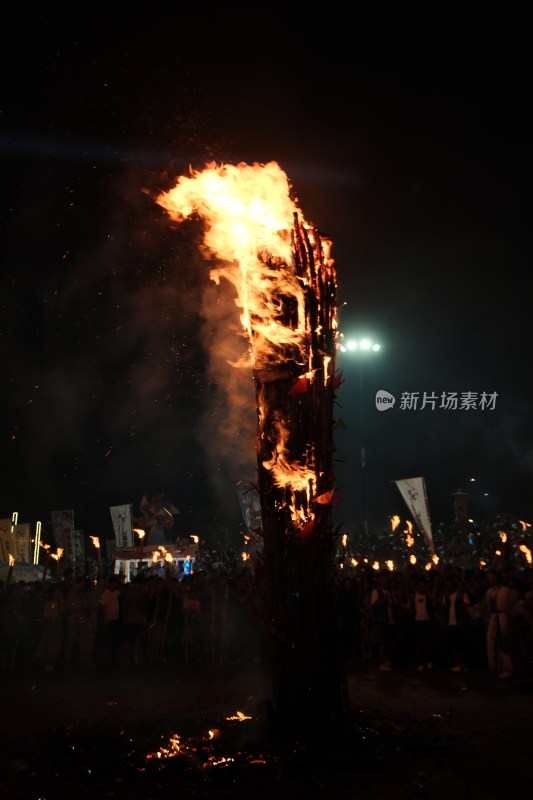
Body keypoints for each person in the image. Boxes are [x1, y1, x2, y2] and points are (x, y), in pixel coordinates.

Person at [480, 569, 517, 679]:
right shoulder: (489, 592)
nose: (490, 580)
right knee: (493, 641)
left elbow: (511, 605)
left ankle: (508, 667)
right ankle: (497, 665)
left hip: (502, 617)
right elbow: (484, 606)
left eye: (492, 577)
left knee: (504, 641)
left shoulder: (505, 591)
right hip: (493, 617)